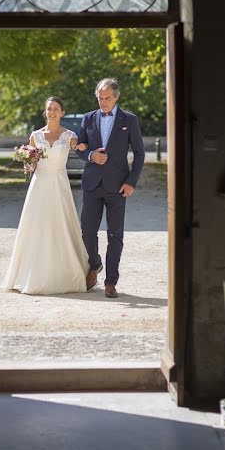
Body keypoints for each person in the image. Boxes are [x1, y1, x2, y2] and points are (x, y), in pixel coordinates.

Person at [1, 96, 89, 295]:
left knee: (60, 226)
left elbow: (80, 147)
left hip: (59, 185)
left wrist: (84, 147)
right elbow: (32, 163)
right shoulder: (36, 136)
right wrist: (27, 162)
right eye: (49, 108)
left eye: (56, 108)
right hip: (39, 185)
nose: (52, 112)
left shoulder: (69, 135)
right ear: (45, 111)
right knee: (36, 226)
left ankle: (67, 274)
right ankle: (30, 275)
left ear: (62, 112)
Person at [74, 78, 146, 299]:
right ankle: (94, 265)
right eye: (100, 98)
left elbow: (140, 153)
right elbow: (79, 147)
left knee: (115, 235)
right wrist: (90, 155)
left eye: (107, 98)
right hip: (92, 184)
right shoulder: (88, 118)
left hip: (118, 186)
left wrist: (131, 182)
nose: (103, 102)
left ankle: (111, 282)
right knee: (87, 231)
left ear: (116, 97)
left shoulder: (129, 120)